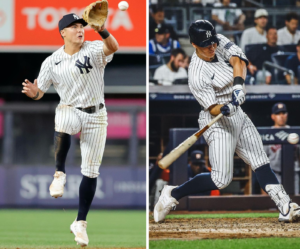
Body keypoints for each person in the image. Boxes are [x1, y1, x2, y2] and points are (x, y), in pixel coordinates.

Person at [153, 20, 300, 224]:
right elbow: (212, 107)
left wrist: (238, 87)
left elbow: (238, 61)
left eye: (213, 42)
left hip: (237, 111)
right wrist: (225, 108)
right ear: (194, 45)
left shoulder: (217, 40)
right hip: (217, 120)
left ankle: (285, 205)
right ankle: (173, 193)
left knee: (260, 161)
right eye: (207, 45)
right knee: (221, 179)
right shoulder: (195, 74)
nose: (212, 47)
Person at [21, 13, 119, 247]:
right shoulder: (51, 61)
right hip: (71, 109)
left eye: (81, 26)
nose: (79, 30)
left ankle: (80, 223)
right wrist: (34, 93)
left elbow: (114, 46)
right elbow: (40, 92)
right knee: (63, 114)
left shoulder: (94, 48)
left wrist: (102, 29)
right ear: (63, 32)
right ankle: (59, 174)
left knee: (91, 171)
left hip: (97, 114)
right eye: (73, 27)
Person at [263, 103, 300, 194]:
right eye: (278, 114)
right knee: (274, 206)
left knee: (294, 203)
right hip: (274, 174)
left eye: (283, 113)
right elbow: (262, 159)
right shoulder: (267, 134)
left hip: (293, 174)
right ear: (273, 116)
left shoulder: (294, 132)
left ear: (287, 115)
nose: (281, 116)